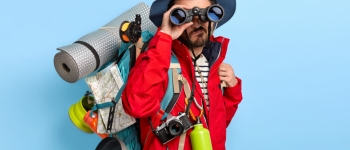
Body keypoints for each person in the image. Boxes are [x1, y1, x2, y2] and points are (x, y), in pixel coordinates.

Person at [121, 0, 243, 149]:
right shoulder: (159, 61)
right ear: (173, 19)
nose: (197, 23)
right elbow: (137, 106)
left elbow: (218, 124)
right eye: (187, 15)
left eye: (206, 14)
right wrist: (164, 37)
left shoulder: (213, 65)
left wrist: (232, 90)